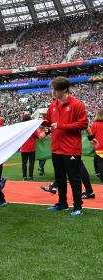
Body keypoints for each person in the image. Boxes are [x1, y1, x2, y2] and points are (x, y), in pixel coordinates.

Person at [43, 77, 88, 216]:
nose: (53, 92)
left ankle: (78, 207)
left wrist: (62, 126)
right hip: (56, 148)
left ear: (63, 89)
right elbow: (49, 122)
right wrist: (42, 122)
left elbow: (83, 124)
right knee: (60, 177)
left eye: (55, 89)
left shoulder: (76, 104)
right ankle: (62, 203)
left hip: (71, 148)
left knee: (74, 178)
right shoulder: (53, 105)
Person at [20, 114, 38, 181]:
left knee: (24, 163)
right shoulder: (32, 127)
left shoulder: (21, 127)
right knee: (31, 162)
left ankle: (24, 176)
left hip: (24, 147)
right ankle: (31, 176)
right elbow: (36, 135)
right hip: (31, 147)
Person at [89, 108, 103, 183]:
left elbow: (91, 136)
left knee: (100, 163)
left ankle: (102, 179)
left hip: (99, 147)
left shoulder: (95, 124)